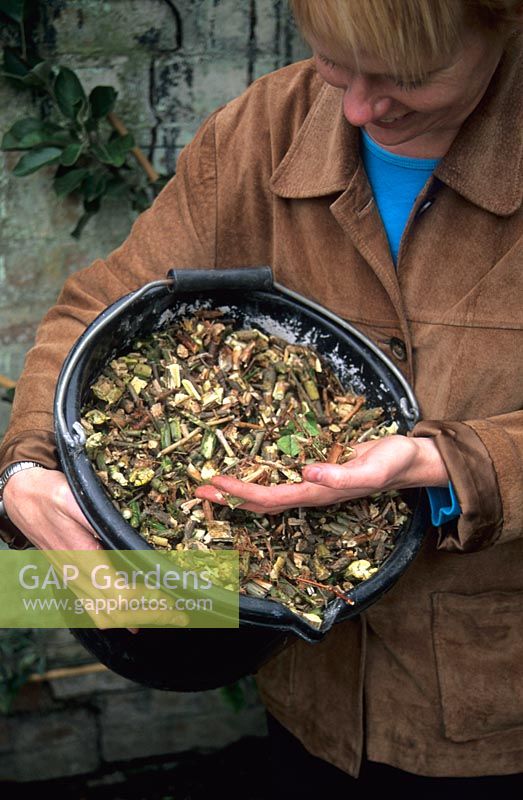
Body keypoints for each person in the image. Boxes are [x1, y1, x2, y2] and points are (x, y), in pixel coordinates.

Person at [0, 0, 522, 790]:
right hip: (300, 689)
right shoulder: (264, 129)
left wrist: (446, 464)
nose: (355, 109)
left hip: (490, 708)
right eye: (334, 65)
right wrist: (27, 468)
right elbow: (97, 308)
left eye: (406, 78)